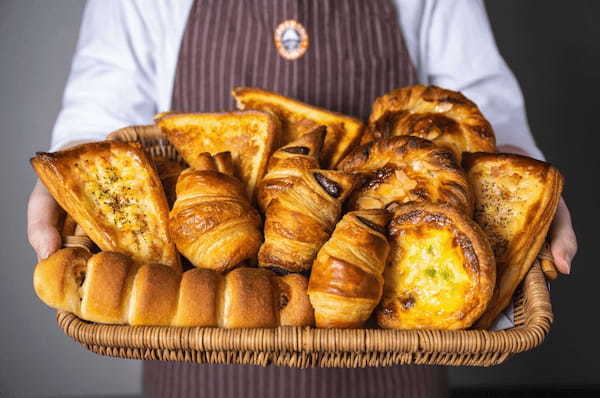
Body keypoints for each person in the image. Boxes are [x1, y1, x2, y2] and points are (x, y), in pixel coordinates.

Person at [27, 1, 578, 397]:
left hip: (394, 353)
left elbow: (477, 100)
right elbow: (105, 107)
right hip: (192, 337)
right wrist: (74, 173)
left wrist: (522, 192)